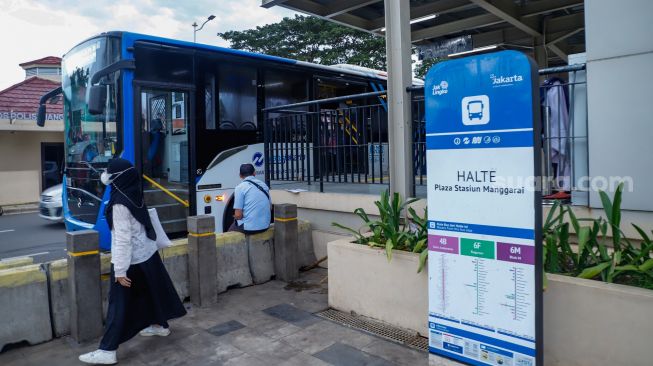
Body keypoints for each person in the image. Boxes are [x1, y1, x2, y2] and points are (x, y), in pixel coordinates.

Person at [79, 158, 186, 365]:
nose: (106, 176)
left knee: (117, 304)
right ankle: (159, 325)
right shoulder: (134, 191)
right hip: (147, 254)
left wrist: (119, 271)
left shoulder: (119, 203)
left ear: (117, 177)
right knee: (151, 290)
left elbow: (122, 240)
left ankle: (107, 350)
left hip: (131, 260)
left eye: (109, 173)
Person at [228, 163, 271, 235]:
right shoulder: (264, 185)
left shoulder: (240, 187)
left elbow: (238, 215)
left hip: (250, 228)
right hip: (266, 226)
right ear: (254, 173)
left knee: (229, 233)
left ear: (240, 175)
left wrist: (235, 216)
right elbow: (270, 207)